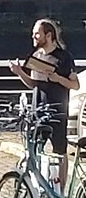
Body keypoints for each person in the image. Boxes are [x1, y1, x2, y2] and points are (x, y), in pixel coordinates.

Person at [9, 18, 79, 185]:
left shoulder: (63, 57)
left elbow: (75, 85)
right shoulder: (36, 56)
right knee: (34, 150)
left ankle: (60, 189)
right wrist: (19, 72)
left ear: (48, 35)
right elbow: (33, 84)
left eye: (37, 34)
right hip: (38, 110)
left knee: (60, 151)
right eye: (33, 33)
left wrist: (58, 79)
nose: (33, 36)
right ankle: (38, 185)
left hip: (57, 111)